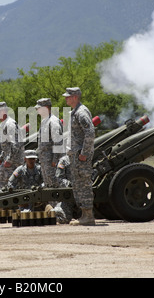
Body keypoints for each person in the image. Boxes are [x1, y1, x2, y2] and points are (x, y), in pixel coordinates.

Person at [63, 87, 96, 226]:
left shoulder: (81, 112)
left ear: (75, 97)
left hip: (80, 156)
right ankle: (84, 214)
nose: (66, 98)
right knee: (78, 184)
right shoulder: (74, 112)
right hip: (76, 156)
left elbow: (90, 133)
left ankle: (88, 216)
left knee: (83, 184)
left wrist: (84, 153)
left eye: (68, 96)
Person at [0, 101, 25, 192]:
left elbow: (15, 144)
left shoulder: (10, 124)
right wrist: (1, 158)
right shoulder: (4, 124)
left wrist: (9, 160)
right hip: (10, 161)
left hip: (13, 162)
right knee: (8, 186)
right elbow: (7, 146)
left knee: (2, 186)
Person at [35, 98, 64, 188]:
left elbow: (58, 142)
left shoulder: (53, 121)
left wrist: (55, 160)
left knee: (55, 183)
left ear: (46, 107)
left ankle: (59, 202)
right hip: (45, 160)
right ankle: (53, 202)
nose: (37, 110)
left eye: (39, 108)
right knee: (48, 184)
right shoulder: (44, 121)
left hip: (52, 161)